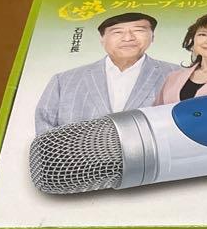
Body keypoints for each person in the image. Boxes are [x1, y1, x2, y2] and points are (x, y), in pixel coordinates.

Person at [34, 13, 173, 136]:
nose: (128, 38)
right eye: (117, 32)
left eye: (138, 30)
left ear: (152, 36)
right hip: (81, 157)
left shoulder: (176, 74)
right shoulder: (64, 80)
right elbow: (45, 128)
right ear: (102, 39)